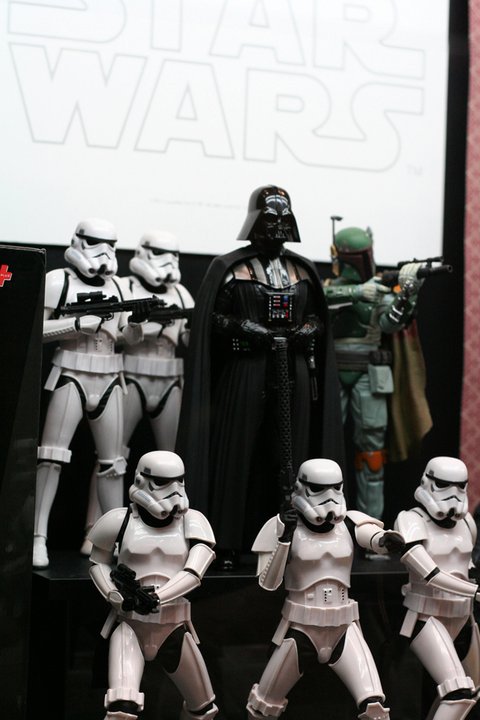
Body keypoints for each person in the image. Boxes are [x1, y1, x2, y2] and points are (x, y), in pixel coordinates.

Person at [176, 185, 345, 570]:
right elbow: (211, 320)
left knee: (292, 456)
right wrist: (247, 328)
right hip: (246, 369)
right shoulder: (229, 267)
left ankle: (292, 538)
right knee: (237, 453)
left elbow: (318, 318)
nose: (278, 227)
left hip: (293, 369)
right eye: (270, 219)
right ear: (255, 220)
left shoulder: (303, 269)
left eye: (284, 218)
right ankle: (225, 541)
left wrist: (306, 330)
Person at [246, 457, 404, 719]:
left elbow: (374, 538)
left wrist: (386, 540)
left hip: (344, 625)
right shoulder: (283, 526)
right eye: (319, 489)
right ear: (301, 488)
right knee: (263, 707)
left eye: (335, 488)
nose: (329, 497)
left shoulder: (350, 523)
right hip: (301, 626)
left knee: (374, 707)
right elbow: (268, 583)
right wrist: (284, 539)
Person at [33, 217, 144, 569]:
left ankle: (111, 539)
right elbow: (35, 328)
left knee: (113, 464)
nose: (105, 252)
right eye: (97, 243)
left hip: (110, 376)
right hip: (70, 373)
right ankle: (37, 536)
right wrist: (76, 324)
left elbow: (125, 338)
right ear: (79, 241)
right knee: (51, 457)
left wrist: (137, 324)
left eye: (111, 245)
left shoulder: (120, 286)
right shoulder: (59, 281)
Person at [88, 450, 219, 720]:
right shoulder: (119, 520)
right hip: (130, 625)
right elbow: (97, 563)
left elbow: (194, 572)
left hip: (173, 627)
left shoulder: (193, 522)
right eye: (162, 482)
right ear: (141, 480)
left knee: (203, 710)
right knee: (121, 708)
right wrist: (113, 594)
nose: (174, 490)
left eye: (179, 481)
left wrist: (158, 597)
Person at [322, 223, 432, 521]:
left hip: (369, 378)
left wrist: (408, 293)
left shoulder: (378, 288)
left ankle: (370, 525)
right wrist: (358, 291)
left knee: (372, 457)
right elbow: (316, 298)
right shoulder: (329, 288)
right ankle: (325, 520)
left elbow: (390, 324)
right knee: (325, 452)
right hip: (332, 377)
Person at [394, 456, 480, 720]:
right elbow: (431, 574)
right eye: (444, 485)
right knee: (457, 693)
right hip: (426, 617)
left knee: (470, 694)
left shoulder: (467, 523)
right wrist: (474, 591)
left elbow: (469, 568)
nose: (453, 494)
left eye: (460, 486)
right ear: (427, 482)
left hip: (464, 618)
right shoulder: (411, 521)